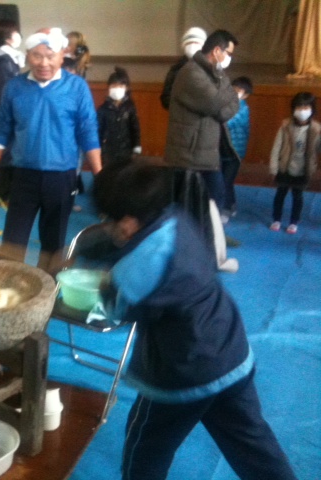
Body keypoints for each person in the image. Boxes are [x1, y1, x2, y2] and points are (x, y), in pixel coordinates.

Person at [88, 163, 298, 480]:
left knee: (146, 447)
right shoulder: (176, 218)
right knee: (253, 445)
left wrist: (105, 282)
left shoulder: (137, 268)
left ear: (128, 223)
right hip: (229, 352)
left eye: (107, 220)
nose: (105, 226)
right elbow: (141, 251)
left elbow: (116, 310)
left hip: (184, 372)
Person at [0, 27, 102, 275]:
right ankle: (8, 285)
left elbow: (88, 132)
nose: (43, 63)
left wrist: (99, 173)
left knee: (53, 242)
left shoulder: (76, 88)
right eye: (36, 56)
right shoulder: (14, 87)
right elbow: (1, 132)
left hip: (62, 177)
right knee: (13, 240)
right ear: (27, 56)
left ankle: (47, 287)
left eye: (50, 56)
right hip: (24, 175)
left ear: (62, 56)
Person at [165, 29, 239, 211]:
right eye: (228, 53)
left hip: (206, 152)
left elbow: (232, 103)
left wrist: (226, 98)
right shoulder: (191, 73)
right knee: (193, 204)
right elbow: (215, 103)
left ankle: (209, 228)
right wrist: (227, 91)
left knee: (213, 201)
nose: (229, 58)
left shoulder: (214, 73)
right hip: (189, 155)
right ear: (216, 51)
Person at [269, 91, 321, 234]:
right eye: (299, 107)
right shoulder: (285, 126)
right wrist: (273, 168)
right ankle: (276, 219)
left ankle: (293, 222)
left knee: (298, 196)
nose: (302, 111)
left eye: (306, 108)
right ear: (293, 109)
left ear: (312, 109)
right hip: (285, 167)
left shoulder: (316, 129)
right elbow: (276, 148)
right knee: (280, 194)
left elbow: (318, 148)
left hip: (303, 170)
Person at [0, 19, 25, 206]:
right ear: (8, 38)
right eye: (16, 33)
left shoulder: (9, 59)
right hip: (5, 114)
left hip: (9, 112)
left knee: (11, 153)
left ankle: (8, 193)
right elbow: (3, 93)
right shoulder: (2, 62)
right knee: (5, 155)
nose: (19, 36)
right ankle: (1, 196)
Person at [96, 66, 141, 170]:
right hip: (107, 152)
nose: (117, 88)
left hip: (126, 151)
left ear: (126, 88)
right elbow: (98, 131)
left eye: (120, 86)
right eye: (114, 85)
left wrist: (137, 146)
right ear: (108, 88)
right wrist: (98, 149)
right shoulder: (103, 109)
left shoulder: (129, 108)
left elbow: (135, 128)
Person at [221, 76, 253, 222]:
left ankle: (226, 210)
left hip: (235, 152)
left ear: (245, 95)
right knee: (224, 179)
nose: (234, 93)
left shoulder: (243, 109)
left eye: (238, 91)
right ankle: (231, 204)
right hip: (222, 149)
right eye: (232, 89)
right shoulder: (225, 104)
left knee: (226, 181)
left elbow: (229, 122)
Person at [159, 27, 207, 110]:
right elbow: (165, 99)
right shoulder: (175, 70)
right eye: (189, 43)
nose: (193, 45)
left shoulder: (209, 69)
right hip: (181, 115)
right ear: (184, 46)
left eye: (196, 43)